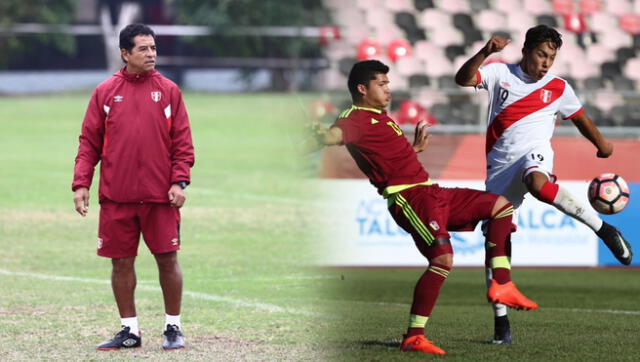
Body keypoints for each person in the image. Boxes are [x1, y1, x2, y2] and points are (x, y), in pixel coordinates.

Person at [312, 60, 537, 356]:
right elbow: (334, 136)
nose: (388, 89)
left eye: (388, 83)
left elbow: (388, 155)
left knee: (502, 207)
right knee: (442, 260)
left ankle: (503, 284)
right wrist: (321, 135)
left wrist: (413, 150)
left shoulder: (381, 117)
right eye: (382, 84)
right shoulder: (353, 119)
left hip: (432, 192)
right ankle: (414, 336)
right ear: (362, 89)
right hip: (410, 199)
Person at [455, 24, 633, 344]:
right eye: (541, 54)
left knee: (538, 182)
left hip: (534, 155)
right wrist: (485, 52)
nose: (546, 63)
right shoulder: (499, 73)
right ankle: (501, 325)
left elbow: (579, 117)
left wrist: (602, 144)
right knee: (496, 246)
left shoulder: (559, 87)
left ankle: (604, 229)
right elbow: (463, 79)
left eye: (552, 57)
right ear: (526, 51)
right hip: (499, 171)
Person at [72, 23, 194, 350]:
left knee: (168, 259)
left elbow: (183, 144)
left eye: (153, 48)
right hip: (117, 197)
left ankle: (173, 327)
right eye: (143, 48)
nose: (151, 54)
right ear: (125, 53)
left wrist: (179, 181)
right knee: (121, 262)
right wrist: (81, 183)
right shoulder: (105, 92)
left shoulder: (169, 91)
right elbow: (89, 143)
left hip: (160, 198)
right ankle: (130, 330)